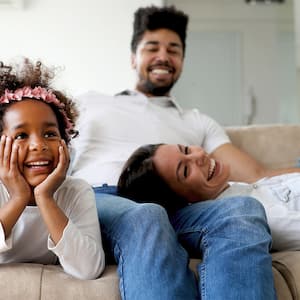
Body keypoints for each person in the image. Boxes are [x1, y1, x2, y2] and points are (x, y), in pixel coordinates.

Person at [71, 5, 277, 299]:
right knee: (147, 216)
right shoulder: (88, 102)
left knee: (242, 209)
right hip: (102, 198)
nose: (164, 56)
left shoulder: (197, 121)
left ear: (181, 61)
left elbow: (258, 175)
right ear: (133, 58)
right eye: (152, 47)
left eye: (174, 50)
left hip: (175, 209)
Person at [0, 58, 104, 280]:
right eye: (21, 135)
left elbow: (89, 268)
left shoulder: (76, 191)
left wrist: (44, 197)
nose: (39, 144)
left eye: (50, 134)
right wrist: (18, 197)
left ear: (64, 142)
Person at [118, 143, 300, 251]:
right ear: (183, 201)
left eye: (187, 149)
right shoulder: (256, 216)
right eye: (186, 170)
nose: (200, 155)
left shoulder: (238, 188)